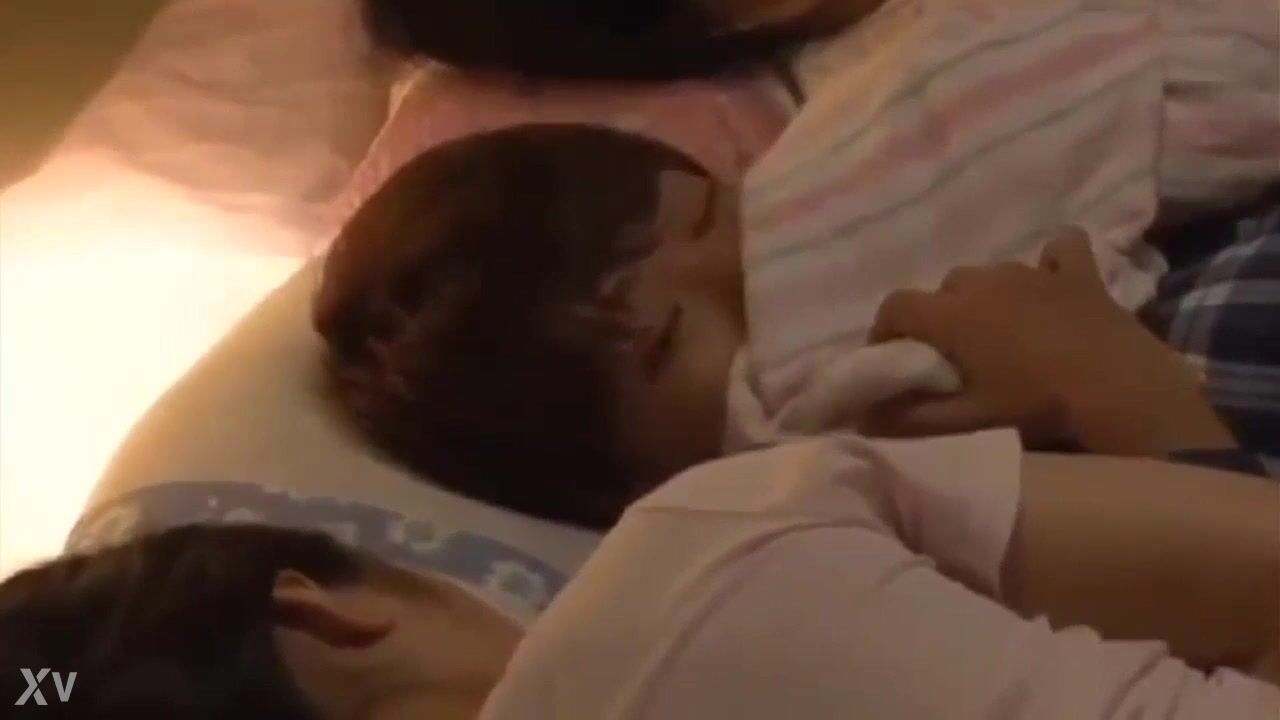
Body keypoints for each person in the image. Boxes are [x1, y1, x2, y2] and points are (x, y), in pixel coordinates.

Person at [314, 124, 1268, 529]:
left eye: (714, 219)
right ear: (636, 486)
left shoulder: (1140, 224)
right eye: (672, 339)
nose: (744, 269)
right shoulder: (893, 542)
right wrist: (1116, 392)